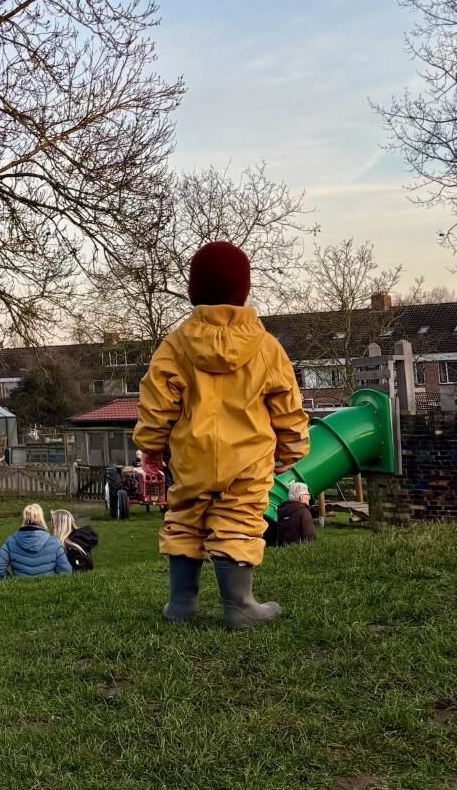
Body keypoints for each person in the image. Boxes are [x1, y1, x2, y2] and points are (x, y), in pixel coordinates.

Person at [133, 241, 309, 630]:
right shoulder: (266, 346)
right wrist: (293, 445)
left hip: (192, 456)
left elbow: (157, 401)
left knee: (184, 518)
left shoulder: (175, 345)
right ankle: (240, 605)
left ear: (194, 291)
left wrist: (150, 448)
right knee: (239, 521)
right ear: (243, 291)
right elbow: (286, 402)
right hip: (247, 460)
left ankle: (182, 603)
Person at [0, 503, 72, 579]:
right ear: (41, 519)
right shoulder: (54, 542)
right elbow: (66, 571)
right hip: (48, 591)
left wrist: (10, 582)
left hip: (21, 590)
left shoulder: (11, 541)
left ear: (24, 518)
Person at [268, 482, 318, 547]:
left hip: (282, 551)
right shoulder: (303, 511)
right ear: (301, 497)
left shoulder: (281, 510)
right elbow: (310, 537)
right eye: (308, 494)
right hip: (299, 552)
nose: (309, 498)